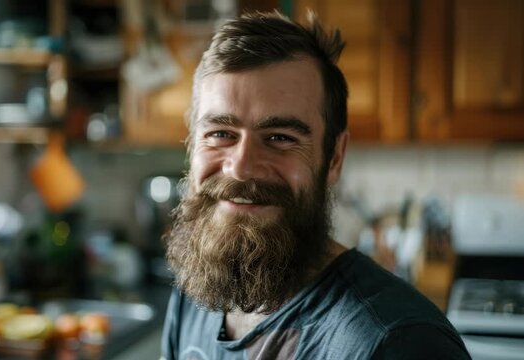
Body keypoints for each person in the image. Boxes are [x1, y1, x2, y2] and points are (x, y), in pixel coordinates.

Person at [160, 10, 470, 360]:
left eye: (279, 137)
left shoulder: (398, 343)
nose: (242, 168)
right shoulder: (199, 288)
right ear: (191, 144)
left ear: (334, 158)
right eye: (220, 134)